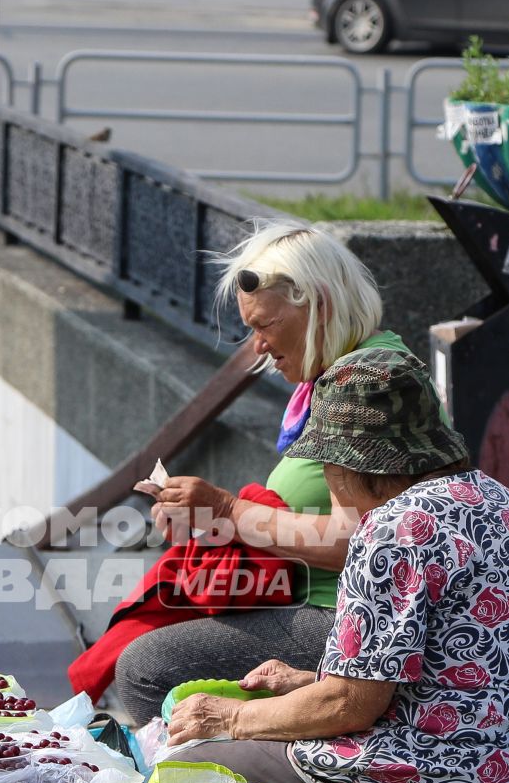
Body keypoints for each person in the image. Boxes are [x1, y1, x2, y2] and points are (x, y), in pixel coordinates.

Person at [165, 347, 509, 783]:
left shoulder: (393, 529)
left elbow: (350, 705)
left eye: (325, 462)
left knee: (186, 766)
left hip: (435, 781)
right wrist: (309, 682)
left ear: (353, 465)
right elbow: (459, 672)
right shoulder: (501, 504)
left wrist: (228, 719)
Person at [110, 220, 411, 725]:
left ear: (320, 305)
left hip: (357, 622)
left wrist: (228, 509)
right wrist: (217, 520)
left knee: (146, 665)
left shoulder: (364, 386)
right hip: (340, 610)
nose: (258, 347)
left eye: (265, 326)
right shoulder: (350, 374)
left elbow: (355, 543)